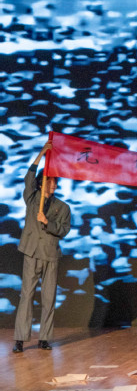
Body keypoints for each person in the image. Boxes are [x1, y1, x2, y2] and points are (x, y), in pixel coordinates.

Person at [12, 142, 71, 353]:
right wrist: (41, 154)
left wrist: (47, 222)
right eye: (50, 181)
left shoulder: (63, 207)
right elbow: (28, 177)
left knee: (48, 297)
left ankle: (45, 338)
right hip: (31, 252)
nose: (53, 185)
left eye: (55, 182)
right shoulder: (32, 199)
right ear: (41, 184)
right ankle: (20, 338)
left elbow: (64, 230)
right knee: (26, 295)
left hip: (50, 255)